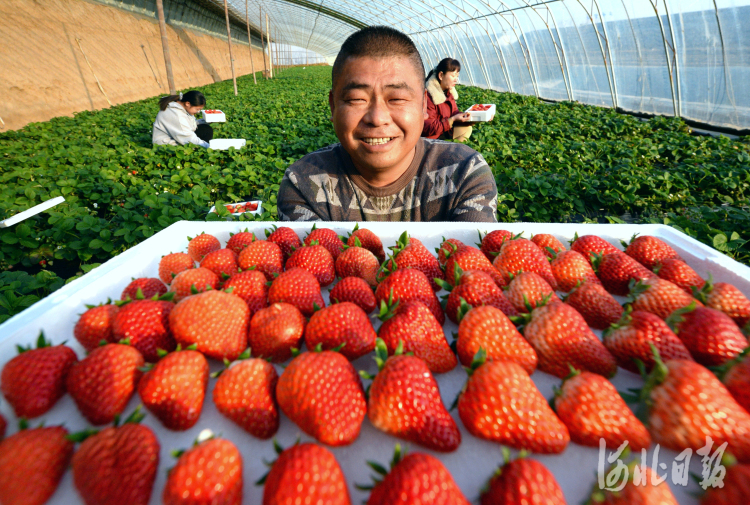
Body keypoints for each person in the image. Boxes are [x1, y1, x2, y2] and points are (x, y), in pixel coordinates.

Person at [277, 26, 497, 222]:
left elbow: (473, 263)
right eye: (356, 99)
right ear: (333, 106)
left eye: (397, 99)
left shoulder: (463, 173)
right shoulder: (303, 185)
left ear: (423, 105)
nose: (377, 117)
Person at [422, 58, 473, 142]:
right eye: (453, 76)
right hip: (430, 140)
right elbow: (428, 127)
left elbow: (455, 113)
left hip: (443, 132)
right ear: (441, 75)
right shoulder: (428, 96)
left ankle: (453, 151)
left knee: (466, 128)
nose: (456, 79)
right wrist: (452, 120)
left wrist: (474, 117)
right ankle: (446, 152)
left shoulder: (448, 93)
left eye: (457, 76)